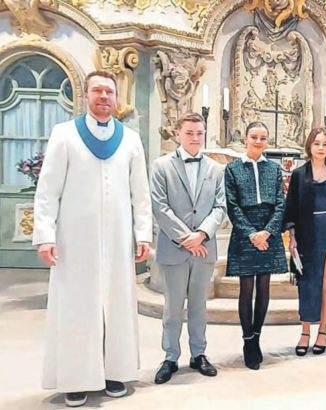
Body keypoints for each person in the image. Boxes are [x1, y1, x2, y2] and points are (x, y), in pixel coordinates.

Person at [33, 70, 152, 407]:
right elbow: (47, 190)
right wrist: (45, 235)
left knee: (117, 306)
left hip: (117, 241)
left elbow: (140, 194)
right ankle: (76, 377)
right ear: (86, 95)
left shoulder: (130, 139)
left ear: (117, 98)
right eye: (97, 91)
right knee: (76, 307)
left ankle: (116, 372)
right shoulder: (64, 134)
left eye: (110, 92)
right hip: (74, 239)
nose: (104, 97)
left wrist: (142, 233)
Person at [150, 113, 226, 384]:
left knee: (199, 305)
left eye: (200, 133)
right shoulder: (161, 166)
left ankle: (198, 354)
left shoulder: (216, 169)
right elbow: (160, 207)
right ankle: (170, 356)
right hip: (174, 248)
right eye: (190, 133)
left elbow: (220, 206)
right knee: (172, 307)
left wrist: (202, 234)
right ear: (178, 135)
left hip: (204, 248)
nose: (195, 138)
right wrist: (186, 238)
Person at [224, 121, 287, 370]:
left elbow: (281, 204)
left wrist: (268, 232)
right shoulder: (233, 169)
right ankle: (247, 340)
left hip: (268, 232)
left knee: (264, 287)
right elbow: (232, 205)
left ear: (267, 141)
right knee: (246, 289)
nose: (258, 142)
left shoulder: (274, 168)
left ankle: (257, 338)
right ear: (246, 139)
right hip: (245, 232)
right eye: (254, 137)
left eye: (263, 138)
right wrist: (252, 234)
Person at [283, 127, 326, 356]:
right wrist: (292, 238)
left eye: (325, 144)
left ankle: (323, 331)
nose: (321, 147)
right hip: (306, 233)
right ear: (309, 146)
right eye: (317, 143)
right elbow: (290, 207)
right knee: (307, 284)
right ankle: (304, 331)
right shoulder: (299, 174)